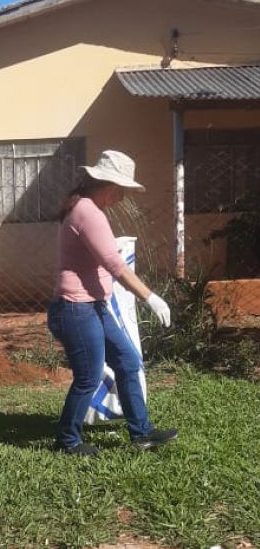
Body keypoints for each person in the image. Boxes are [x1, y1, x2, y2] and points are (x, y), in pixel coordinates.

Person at [47, 150, 177, 457]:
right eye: (123, 189)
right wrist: (151, 297)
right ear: (109, 184)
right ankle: (67, 441)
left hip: (93, 307)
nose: (124, 196)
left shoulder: (85, 208)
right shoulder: (88, 212)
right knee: (89, 377)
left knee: (128, 362)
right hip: (76, 309)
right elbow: (114, 265)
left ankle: (142, 433)